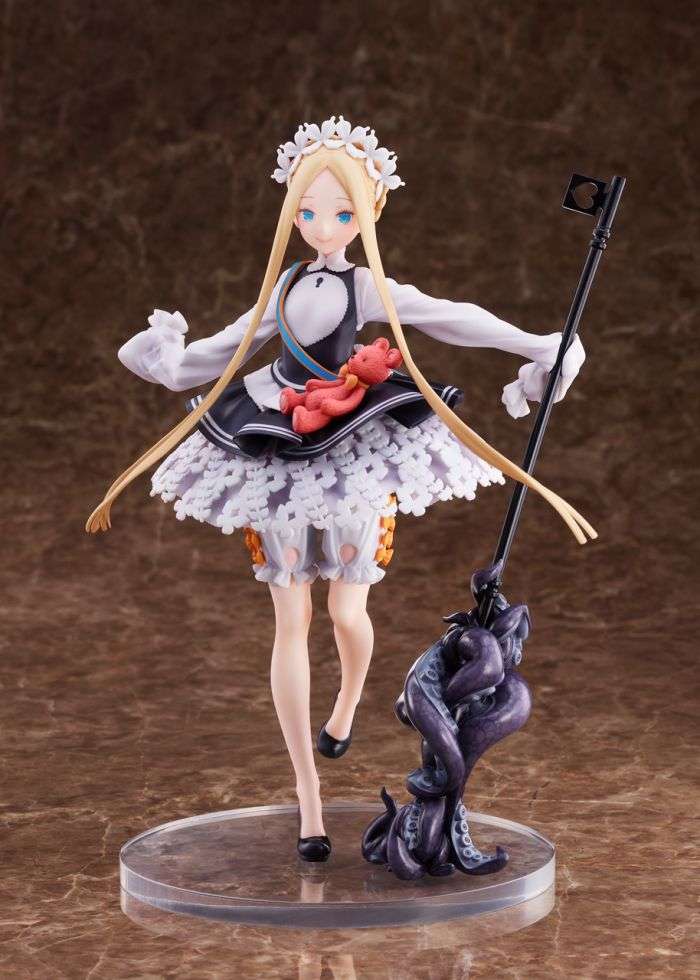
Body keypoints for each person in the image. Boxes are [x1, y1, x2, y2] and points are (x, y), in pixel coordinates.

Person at [87, 116, 592, 862]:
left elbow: (451, 318)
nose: (324, 226)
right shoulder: (285, 286)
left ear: (369, 213)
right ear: (292, 213)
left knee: (347, 609)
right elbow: (220, 352)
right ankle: (308, 798)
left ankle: (350, 702)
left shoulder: (367, 285)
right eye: (309, 211)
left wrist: (538, 343)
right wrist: (166, 359)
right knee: (289, 619)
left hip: (353, 436)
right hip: (277, 434)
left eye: (342, 213)